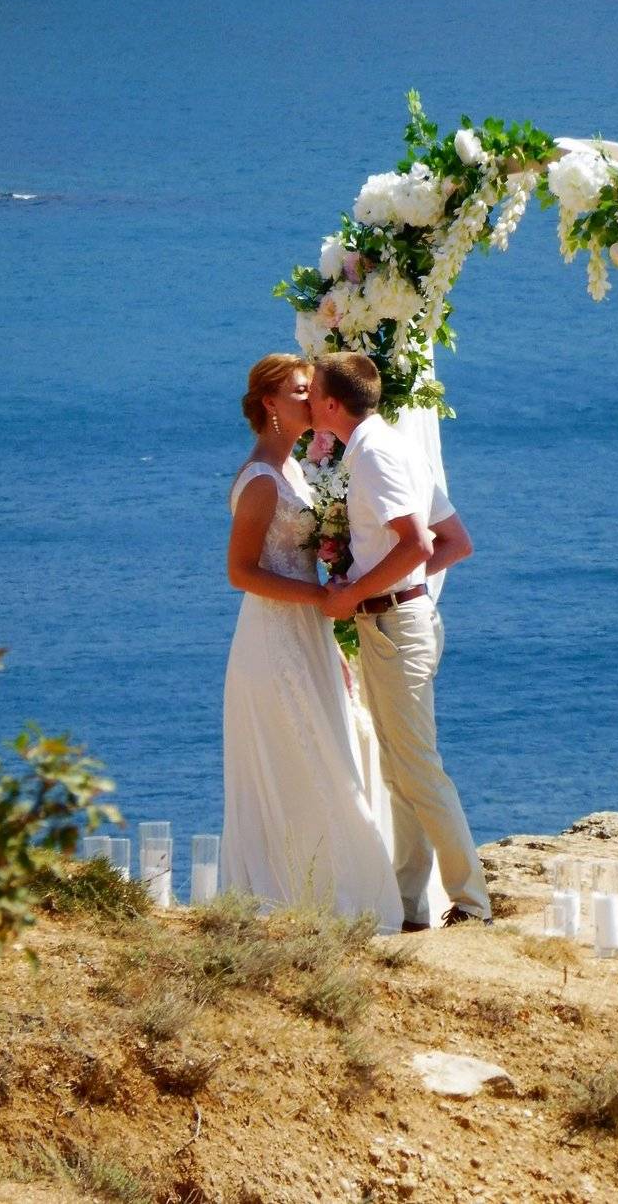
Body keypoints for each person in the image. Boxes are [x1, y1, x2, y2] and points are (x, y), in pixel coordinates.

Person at [308, 352, 492, 931]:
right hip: (398, 619)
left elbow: (417, 544)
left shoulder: (373, 455)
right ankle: (410, 905)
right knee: (399, 770)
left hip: (393, 624)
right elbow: (455, 542)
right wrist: (392, 587)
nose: (307, 399)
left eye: (312, 391)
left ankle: (472, 903)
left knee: (417, 768)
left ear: (332, 403)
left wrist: (358, 592)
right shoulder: (394, 447)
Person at [221, 353, 402, 931]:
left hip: (308, 631)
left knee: (328, 750)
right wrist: (322, 598)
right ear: (270, 403)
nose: (311, 397)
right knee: (302, 759)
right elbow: (241, 572)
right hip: (273, 641)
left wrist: (331, 622)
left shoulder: (294, 471)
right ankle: (303, 894)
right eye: (300, 390)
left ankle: (326, 887)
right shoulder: (260, 481)